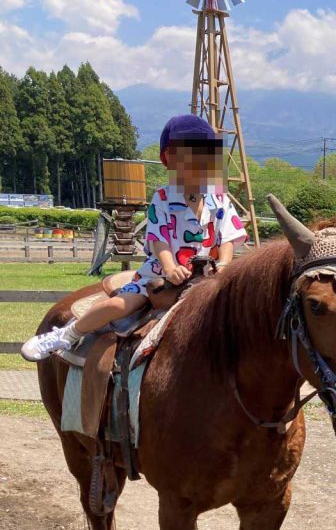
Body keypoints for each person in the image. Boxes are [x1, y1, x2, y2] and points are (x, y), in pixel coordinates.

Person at [21, 114, 248, 361]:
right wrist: (170, 267)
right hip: (162, 275)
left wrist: (224, 265)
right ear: (171, 160)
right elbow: (159, 239)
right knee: (120, 305)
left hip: (210, 277)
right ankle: (66, 334)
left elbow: (227, 237)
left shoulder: (220, 198)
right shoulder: (162, 198)